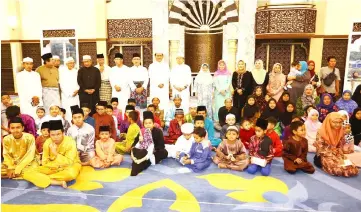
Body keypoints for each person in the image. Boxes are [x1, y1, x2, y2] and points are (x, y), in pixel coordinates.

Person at [1, 117, 48, 188]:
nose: (15, 130)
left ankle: (14, 174)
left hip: (29, 163)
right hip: (13, 163)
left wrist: (17, 169)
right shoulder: (6, 139)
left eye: (18, 127)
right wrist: (10, 167)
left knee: (31, 170)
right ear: (9, 129)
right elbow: (6, 155)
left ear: (22, 128)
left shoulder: (29, 137)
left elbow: (30, 155)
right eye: (12, 128)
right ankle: (15, 174)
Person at [36, 120, 82, 188]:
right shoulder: (47, 142)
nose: (56, 137)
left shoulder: (70, 142)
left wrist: (56, 154)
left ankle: (45, 179)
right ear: (49, 134)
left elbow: (69, 162)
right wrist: (56, 167)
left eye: (58, 134)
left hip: (70, 166)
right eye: (53, 135)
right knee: (34, 170)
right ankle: (54, 180)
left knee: (71, 174)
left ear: (63, 133)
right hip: (53, 166)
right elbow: (44, 162)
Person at [314, 112, 359, 177]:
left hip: (336, 153)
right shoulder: (321, 131)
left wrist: (339, 155)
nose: (337, 125)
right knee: (338, 168)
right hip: (324, 155)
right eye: (334, 122)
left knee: (351, 167)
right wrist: (333, 156)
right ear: (329, 122)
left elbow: (340, 146)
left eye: (339, 122)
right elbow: (320, 149)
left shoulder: (340, 131)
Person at [130, 111, 168, 176]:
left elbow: (161, 146)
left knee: (164, 152)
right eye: (146, 123)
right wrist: (138, 144)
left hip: (153, 151)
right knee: (138, 151)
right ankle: (143, 163)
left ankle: (145, 161)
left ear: (153, 123)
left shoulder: (158, 131)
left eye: (150, 123)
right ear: (143, 124)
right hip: (142, 150)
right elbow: (135, 143)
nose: (148, 125)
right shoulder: (141, 131)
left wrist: (152, 150)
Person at [59, 57, 80, 122]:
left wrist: (77, 90)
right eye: (70, 63)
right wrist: (69, 93)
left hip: (75, 94)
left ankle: (76, 122)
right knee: (67, 109)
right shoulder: (62, 72)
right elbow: (61, 84)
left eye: (73, 63)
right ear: (66, 64)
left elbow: (79, 82)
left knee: (75, 108)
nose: (72, 64)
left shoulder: (76, 71)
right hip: (66, 95)